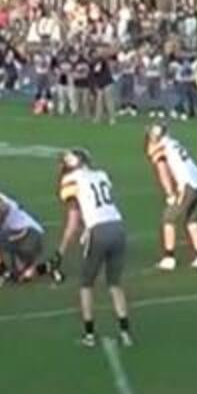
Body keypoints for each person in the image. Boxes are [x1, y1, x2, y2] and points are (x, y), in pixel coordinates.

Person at [56, 149, 131, 348]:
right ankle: (125, 333)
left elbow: (73, 221)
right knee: (115, 284)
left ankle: (89, 335)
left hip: (98, 231)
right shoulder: (101, 175)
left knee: (86, 284)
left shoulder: (71, 180)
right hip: (117, 226)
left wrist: (61, 251)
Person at [145, 124, 197, 271]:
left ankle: (169, 258)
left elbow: (162, 171)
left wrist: (170, 194)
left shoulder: (160, 147)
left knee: (168, 219)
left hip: (189, 186)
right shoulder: (173, 142)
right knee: (191, 221)